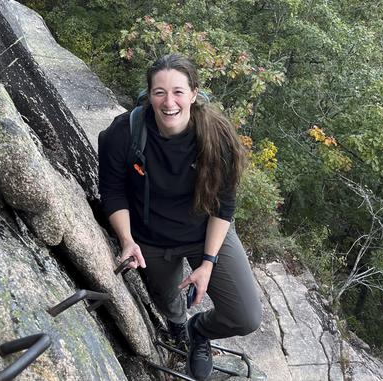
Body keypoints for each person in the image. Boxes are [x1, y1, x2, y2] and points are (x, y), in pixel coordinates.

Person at [98, 53, 262, 380]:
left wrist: (208, 263)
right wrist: (127, 240)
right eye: (159, 92)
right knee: (168, 300)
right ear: (148, 96)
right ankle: (178, 330)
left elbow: (223, 206)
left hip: (204, 232)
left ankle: (198, 331)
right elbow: (113, 191)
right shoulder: (123, 133)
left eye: (178, 92)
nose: (168, 101)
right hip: (150, 239)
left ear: (194, 94)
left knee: (246, 317)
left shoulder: (217, 138)